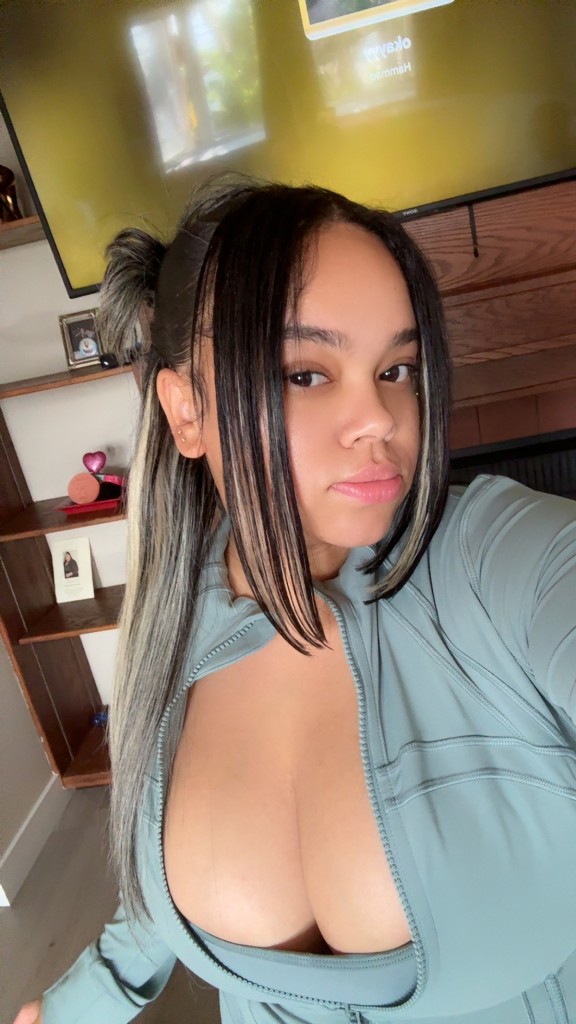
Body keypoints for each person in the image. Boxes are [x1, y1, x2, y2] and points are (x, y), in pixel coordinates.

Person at [14, 178, 576, 1024]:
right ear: (187, 412)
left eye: (396, 369)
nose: (379, 418)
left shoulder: (493, 561)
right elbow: (165, 879)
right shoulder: (171, 629)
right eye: (306, 373)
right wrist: (74, 1005)